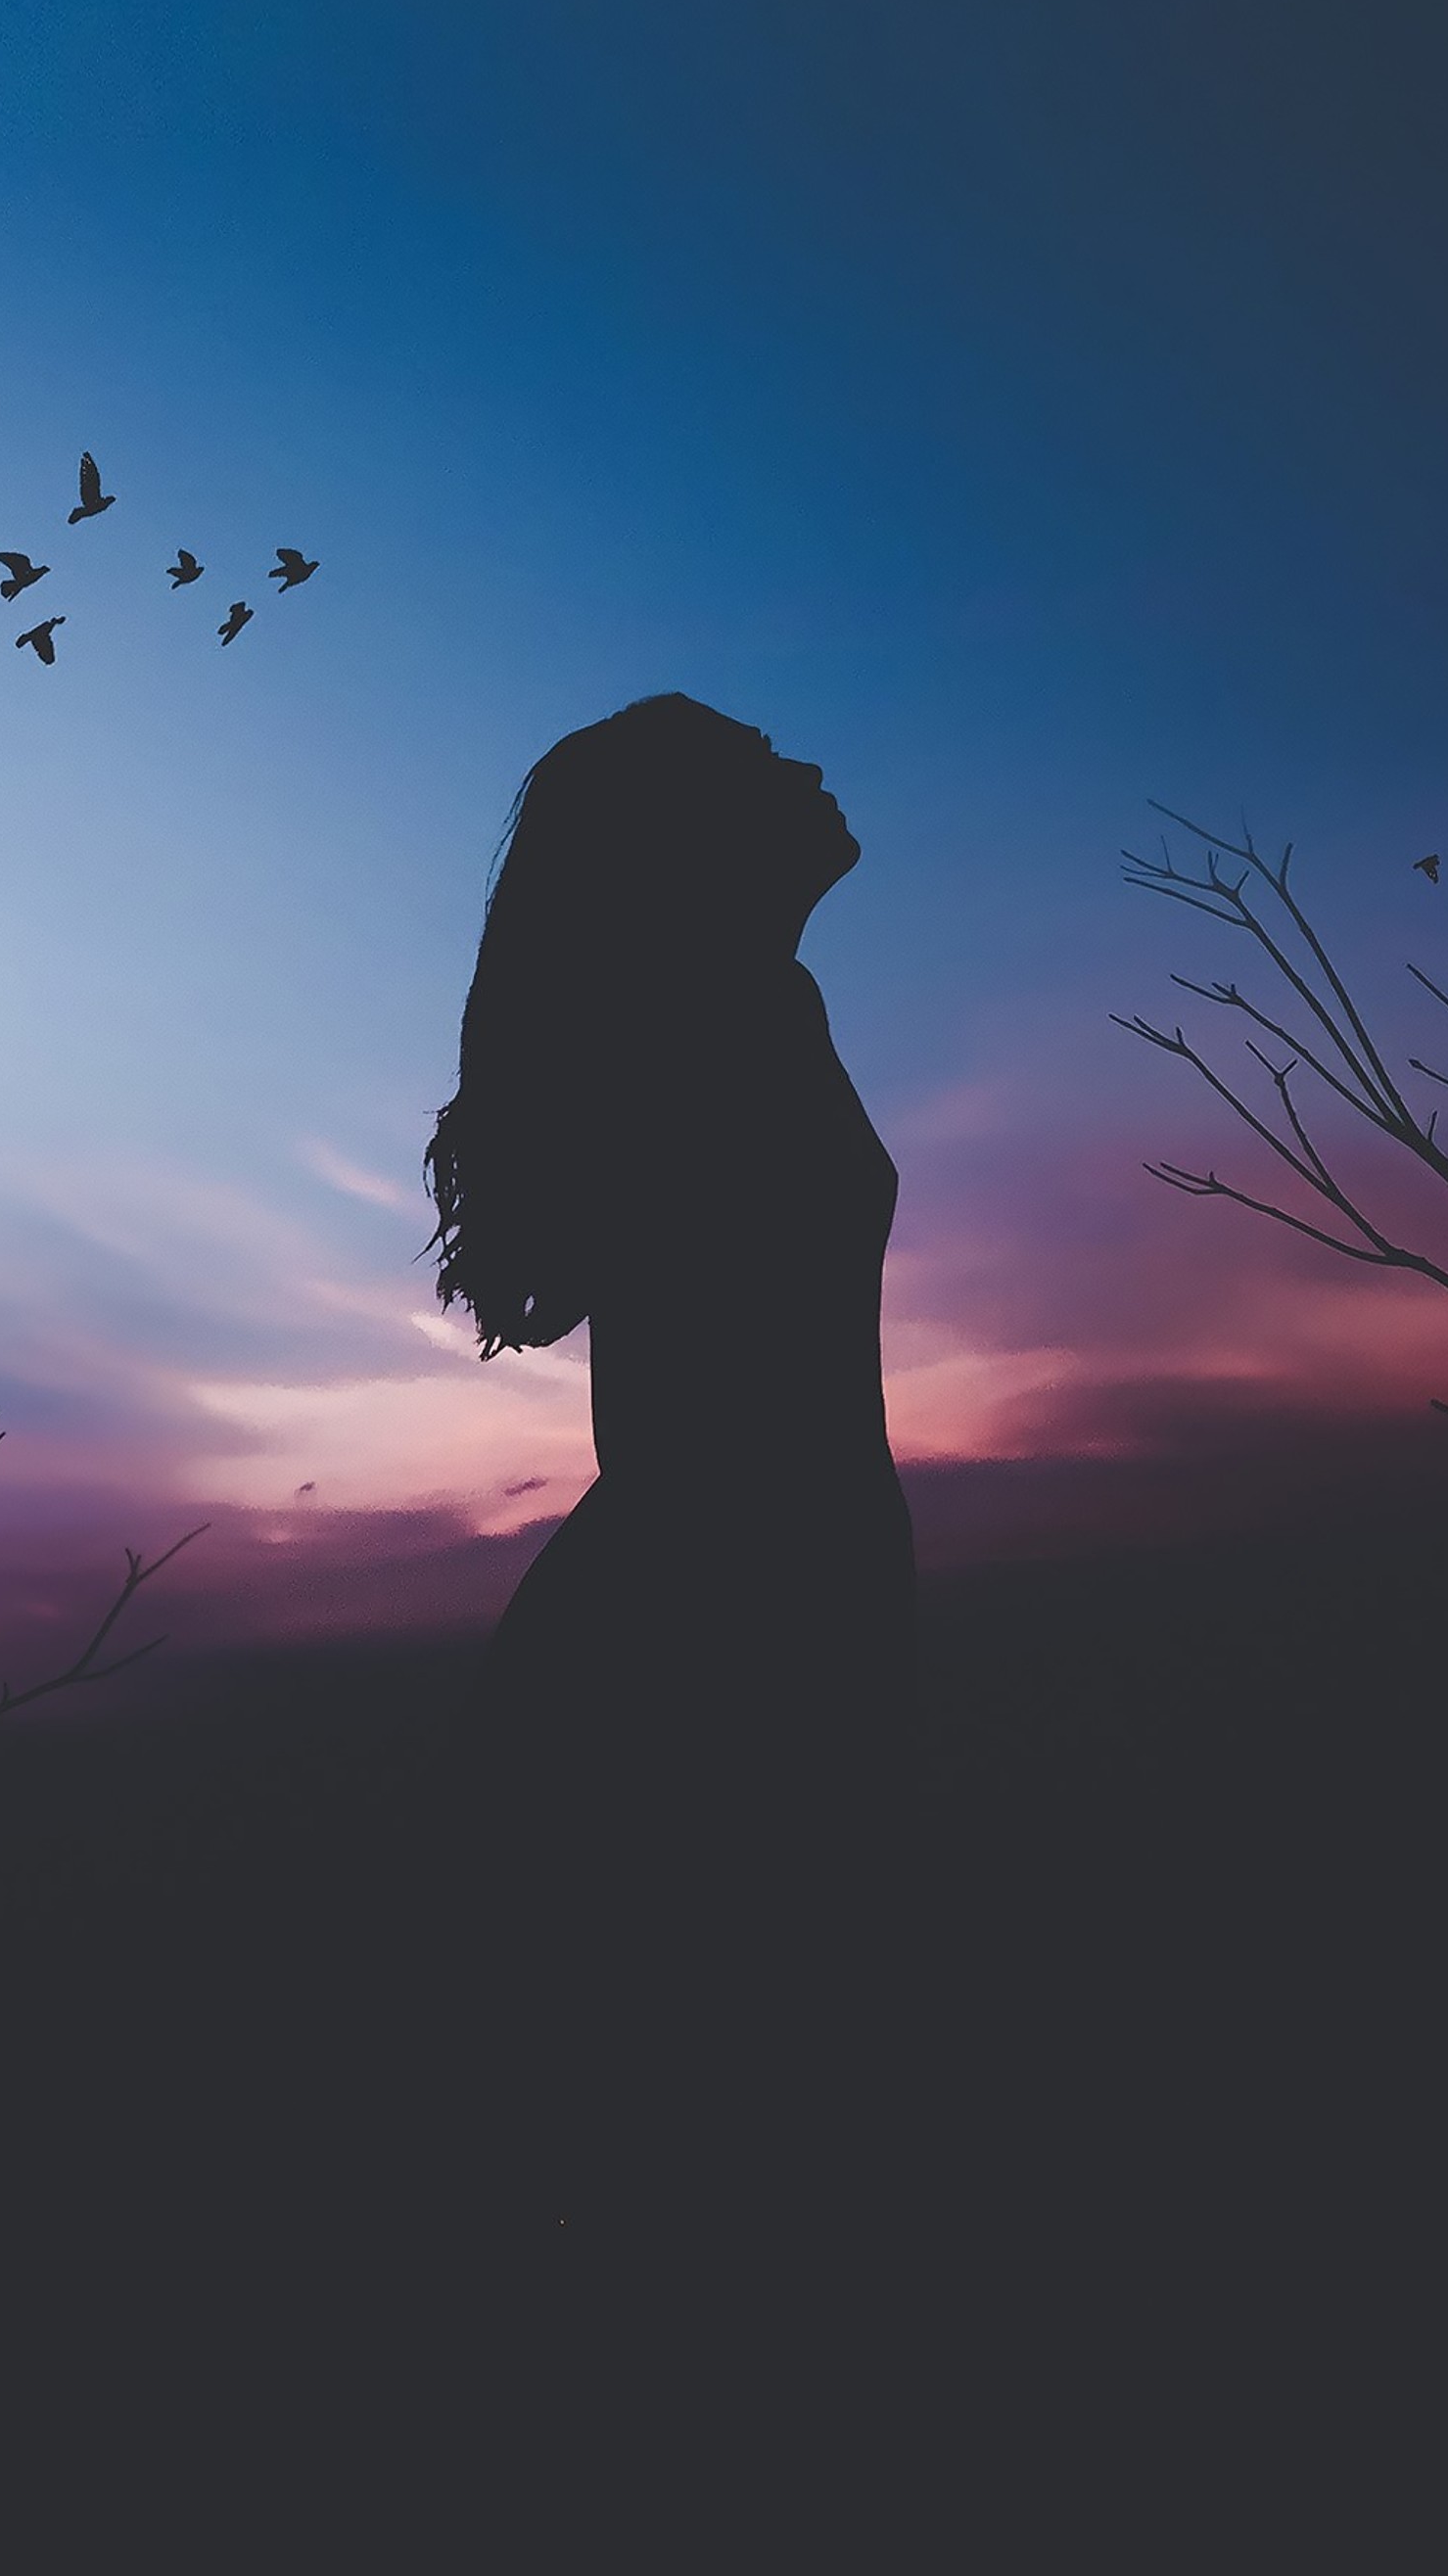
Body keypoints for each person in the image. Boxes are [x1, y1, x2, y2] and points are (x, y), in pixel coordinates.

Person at [422, 691, 919, 2237]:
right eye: (760, 760)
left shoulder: (758, 999)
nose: (811, 761)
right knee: (714, 2160)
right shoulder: (717, 1019)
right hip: (714, 1629)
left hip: (725, 1601)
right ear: (689, 842)